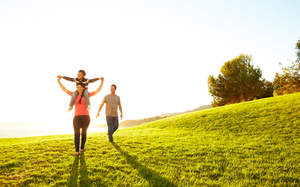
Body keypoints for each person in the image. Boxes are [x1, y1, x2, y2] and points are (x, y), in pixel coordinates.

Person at [57, 75, 104, 156]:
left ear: (83, 88)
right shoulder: (73, 95)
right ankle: (77, 151)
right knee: (76, 133)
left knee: (84, 133)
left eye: (80, 87)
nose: (79, 88)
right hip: (77, 117)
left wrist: (101, 82)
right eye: (77, 87)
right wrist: (59, 81)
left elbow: (97, 91)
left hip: (86, 117)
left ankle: (82, 148)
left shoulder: (87, 95)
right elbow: (64, 89)